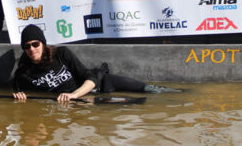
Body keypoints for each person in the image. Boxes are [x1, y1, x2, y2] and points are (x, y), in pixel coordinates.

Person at [12, 25, 164, 102]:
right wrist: (20, 98)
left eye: (35, 44)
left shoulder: (61, 53)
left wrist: (73, 95)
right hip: (88, 101)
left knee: (154, 91)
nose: (32, 49)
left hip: (101, 84)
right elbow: (24, 95)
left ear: (43, 44)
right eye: (27, 46)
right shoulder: (23, 74)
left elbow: (90, 77)